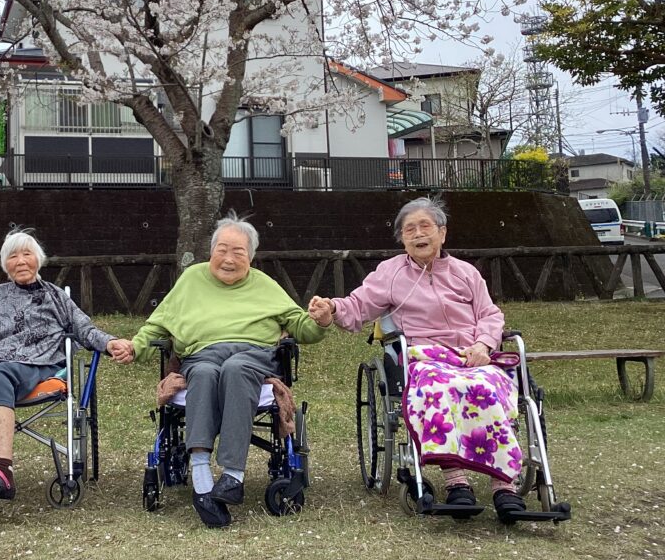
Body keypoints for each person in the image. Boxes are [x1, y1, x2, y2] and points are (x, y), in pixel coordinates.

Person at [309, 197, 527, 521]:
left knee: (491, 386)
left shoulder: (466, 273)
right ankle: (457, 482)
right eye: (409, 229)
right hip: (427, 358)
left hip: (473, 355)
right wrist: (332, 309)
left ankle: (504, 485)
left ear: (442, 233)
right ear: (402, 239)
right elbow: (359, 305)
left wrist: (483, 345)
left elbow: (490, 315)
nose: (418, 234)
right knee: (440, 388)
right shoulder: (391, 273)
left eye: (425, 226)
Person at [113, 212, 330, 528]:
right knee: (203, 373)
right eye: (222, 250)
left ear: (250, 257)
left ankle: (232, 476)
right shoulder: (191, 280)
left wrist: (320, 321)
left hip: (252, 357)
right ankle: (202, 483)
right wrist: (135, 347)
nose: (228, 259)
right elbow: (158, 325)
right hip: (201, 356)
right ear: (211, 252)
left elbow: (301, 326)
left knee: (235, 368)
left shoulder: (265, 285)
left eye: (238, 252)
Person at [0, 229, 131, 500]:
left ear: (38, 259)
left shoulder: (55, 297)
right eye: (13, 256)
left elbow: (84, 329)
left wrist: (110, 343)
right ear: (5, 264)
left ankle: (2, 471)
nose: (20, 261)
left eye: (27, 254)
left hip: (39, 365)